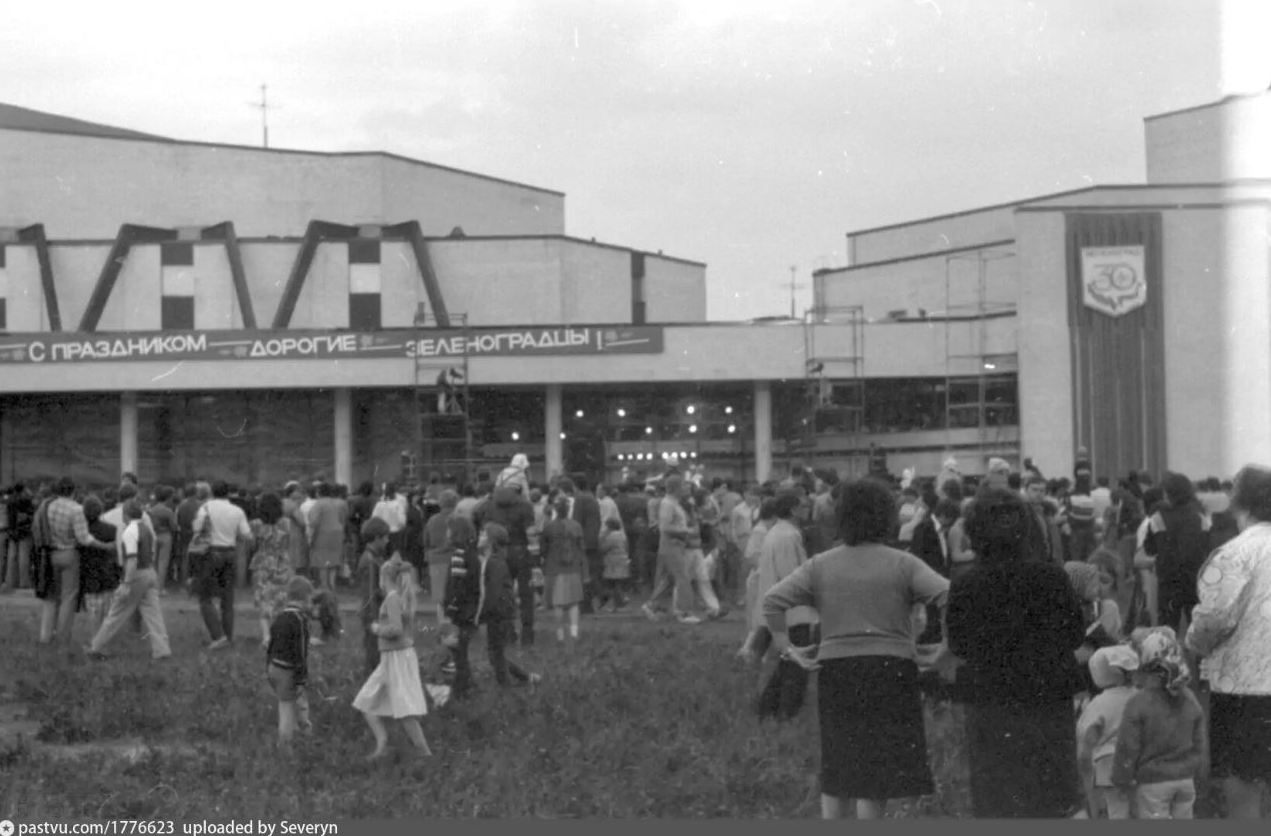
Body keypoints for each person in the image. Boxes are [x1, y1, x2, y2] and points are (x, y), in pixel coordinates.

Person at [763, 477, 949, 819]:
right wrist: (944, 650)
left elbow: (773, 601)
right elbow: (951, 597)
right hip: (891, 668)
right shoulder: (903, 563)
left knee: (839, 762)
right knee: (876, 771)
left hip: (837, 670)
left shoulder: (821, 564)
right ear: (888, 517)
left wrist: (786, 647)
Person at [946, 487, 1087, 818]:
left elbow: (958, 644)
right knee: (1050, 796)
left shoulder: (966, 583)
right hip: (1047, 697)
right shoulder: (1052, 577)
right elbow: (1075, 634)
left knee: (997, 797)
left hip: (990, 700)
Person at [1185, 463, 1271, 819]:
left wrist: (1193, 644)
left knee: (1243, 785)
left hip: (1243, 687)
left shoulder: (1233, 555)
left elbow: (1215, 618)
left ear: (1239, 503)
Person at [1112, 628, 1207, 819]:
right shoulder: (1190, 699)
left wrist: (1121, 778)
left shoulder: (1138, 703)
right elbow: (1200, 742)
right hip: (1186, 780)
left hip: (1152, 784)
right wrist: (1196, 769)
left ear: (1145, 669)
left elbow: (1128, 747)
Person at [444, 522, 538, 698]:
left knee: (496, 655)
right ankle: (525, 678)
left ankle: (508, 690)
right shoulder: (488, 561)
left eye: (483, 535)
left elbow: (492, 593)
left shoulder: (494, 563)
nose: (479, 537)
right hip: (499, 613)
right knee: (496, 653)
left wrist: (481, 615)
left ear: (492, 541)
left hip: (499, 613)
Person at [352, 557, 433, 760]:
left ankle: (425, 753)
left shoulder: (392, 599)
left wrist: (377, 628)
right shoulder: (396, 598)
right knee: (365, 700)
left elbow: (396, 629)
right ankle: (383, 744)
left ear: (384, 578)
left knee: (404, 710)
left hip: (397, 658)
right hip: (390, 659)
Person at [753, 492, 818, 720]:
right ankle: (785, 714)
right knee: (796, 667)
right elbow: (793, 576)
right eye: (803, 505)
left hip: (778, 608)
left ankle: (768, 710)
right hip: (792, 611)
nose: (807, 508)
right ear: (792, 510)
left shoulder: (777, 533)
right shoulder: (789, 536)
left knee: (785, 665)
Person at [85, 499, 172, 661]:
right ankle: (162, 650)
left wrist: (126, 583)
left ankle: (96, 647)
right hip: (150, 572)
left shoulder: (130, 531)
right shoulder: (146, 528)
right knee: (154, 614)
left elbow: (132, 559)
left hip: (136, 574)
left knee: (116, 613)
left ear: (125, 514)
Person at [38, 476, 112, 645]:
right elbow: (84, 538)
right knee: (68, 597)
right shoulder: (76, 509)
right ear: (73, 490)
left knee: (51, 597)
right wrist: (105, 546)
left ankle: (45, 636)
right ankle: (63, 637)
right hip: (69, 554)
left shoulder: (49, 506)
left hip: (51, 553)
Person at [1076, 645, 1141, 819]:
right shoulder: (1142, 697)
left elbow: (1086, 743)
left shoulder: (1098, 704)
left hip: (1109, 766)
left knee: (1117, 809)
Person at [1145, 471, 1211, 635]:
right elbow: (1207, 546)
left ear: (1167, 494)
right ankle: (1197, 660)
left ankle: (1166, 659)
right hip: (1194, 580)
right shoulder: (1200, 518)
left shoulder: (1157, 518)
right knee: (1196, 629)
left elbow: (1149, 548)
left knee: (1167, 630)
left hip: (1169, 581)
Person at [191, 480, 254, 650]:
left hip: (210, 552)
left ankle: (218, 636)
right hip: (230, 553)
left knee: (205, 597)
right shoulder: (237, 510)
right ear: (228, 493)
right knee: (227, 599)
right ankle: (228, 635)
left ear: (211, 491)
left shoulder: (205, 508)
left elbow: (197, 529)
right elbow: (247, 535)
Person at [641, 475, 698, 624]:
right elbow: (665, 527)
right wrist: (685, 531)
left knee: (667, 581)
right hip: (671, 545)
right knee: (682, 577)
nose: (686, 488)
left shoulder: (674, 503)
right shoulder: (668, 504)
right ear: (676, 488)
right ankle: (684, 612)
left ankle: (651, 605)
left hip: (674, 545)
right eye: (684, 485)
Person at [266, 576, 315, 744]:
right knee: (286, 708)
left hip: (273, 667)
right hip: (288, 671)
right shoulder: (300, 621)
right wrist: (302, 678)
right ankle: (285, 746)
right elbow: (301, 652)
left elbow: (271, 644)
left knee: (286, 702)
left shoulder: (279, 618)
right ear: (305, 599)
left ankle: (300, 731)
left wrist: (268, 667)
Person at [249, 492, 295, 648]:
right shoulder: (286, 523)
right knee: (281, 599)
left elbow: (252, 543)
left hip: (262, 563)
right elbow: (289, 542)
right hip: (282, 563)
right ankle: (280, 634)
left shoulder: (255, 524)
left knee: (263, 600)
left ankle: (266, 636)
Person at [540, 496, 585, 642]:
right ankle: (574, 632)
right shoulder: (576, 526)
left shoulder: (548, 527)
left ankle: (559, 635)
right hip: (573, 568)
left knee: (557, 604)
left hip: (554, 569)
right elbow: (581, 548)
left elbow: (543, 550)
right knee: (574, 603)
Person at [357, 517, 393, 676]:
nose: (387, 541)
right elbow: (370, 591)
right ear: (377, 538)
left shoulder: (374, 558)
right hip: (374, 614)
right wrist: (373, 620)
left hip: (377, 612)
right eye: (385, 537)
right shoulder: (370, 561)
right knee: (374, 655)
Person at [598, 517, 630, 612]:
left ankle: (621, 599)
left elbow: (603, 549)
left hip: (613, 562)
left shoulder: (611, 536)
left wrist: (602, 539)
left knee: (612, 583)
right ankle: (619, 602)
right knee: (618, 583)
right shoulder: (622, 535)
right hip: (623, 560)